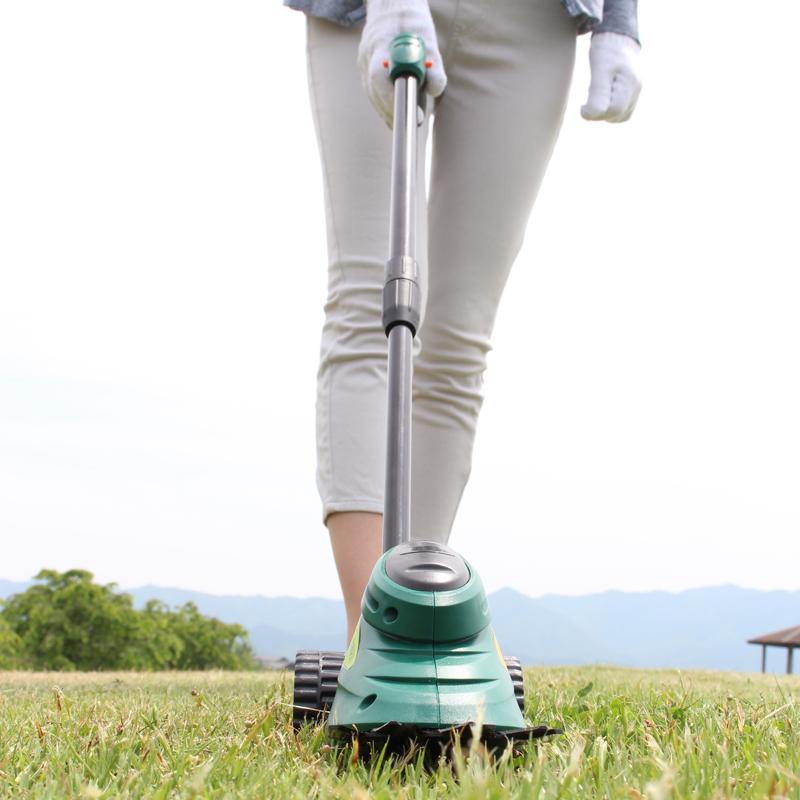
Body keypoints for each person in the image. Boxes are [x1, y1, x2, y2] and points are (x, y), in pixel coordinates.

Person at [284, 0, 642, 640]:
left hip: (533, 23)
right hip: (366, 13)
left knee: (457, 338)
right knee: (373, 304)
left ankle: (414, 624)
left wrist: (621, 21)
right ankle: (371, 640)